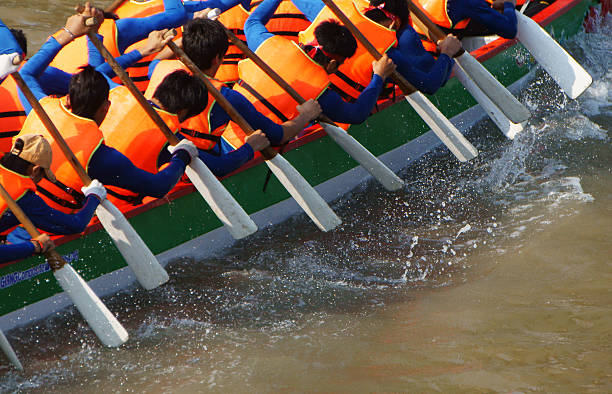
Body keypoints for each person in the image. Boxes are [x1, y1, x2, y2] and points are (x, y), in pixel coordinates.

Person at [17, 9, 197, 213]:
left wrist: (69, 33)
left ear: (67, 97)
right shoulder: (102, 157)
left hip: (11, 209)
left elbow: (25, 74)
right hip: (56, 226)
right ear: (106, 108)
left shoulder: (41, 109)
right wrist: (182, 155)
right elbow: (159, 187)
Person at [147, 17, 321, 176]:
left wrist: (186, 39)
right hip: (193, 173)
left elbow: (156, 59)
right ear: (217, 59)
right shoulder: (226, 98)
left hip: (154, 161)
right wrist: (306, 115)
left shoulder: (158, 68)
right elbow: (278, 135)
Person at [292, 0, 460, 97]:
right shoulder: (387, 52)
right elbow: (431, 85)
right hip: (348, 112)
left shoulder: (335, 12)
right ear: (395, 23)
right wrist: (447, 54)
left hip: (302, 97)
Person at [0, 135, 104, 259]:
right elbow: (76, 225)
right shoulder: (25, 199)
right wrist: (94, 196)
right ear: (35, 170)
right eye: (43, 175)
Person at [412, 0, 518, 39]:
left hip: (413, 45)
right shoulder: (467, 2)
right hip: (435, 65)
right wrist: (509, 4)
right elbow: (510, 31)